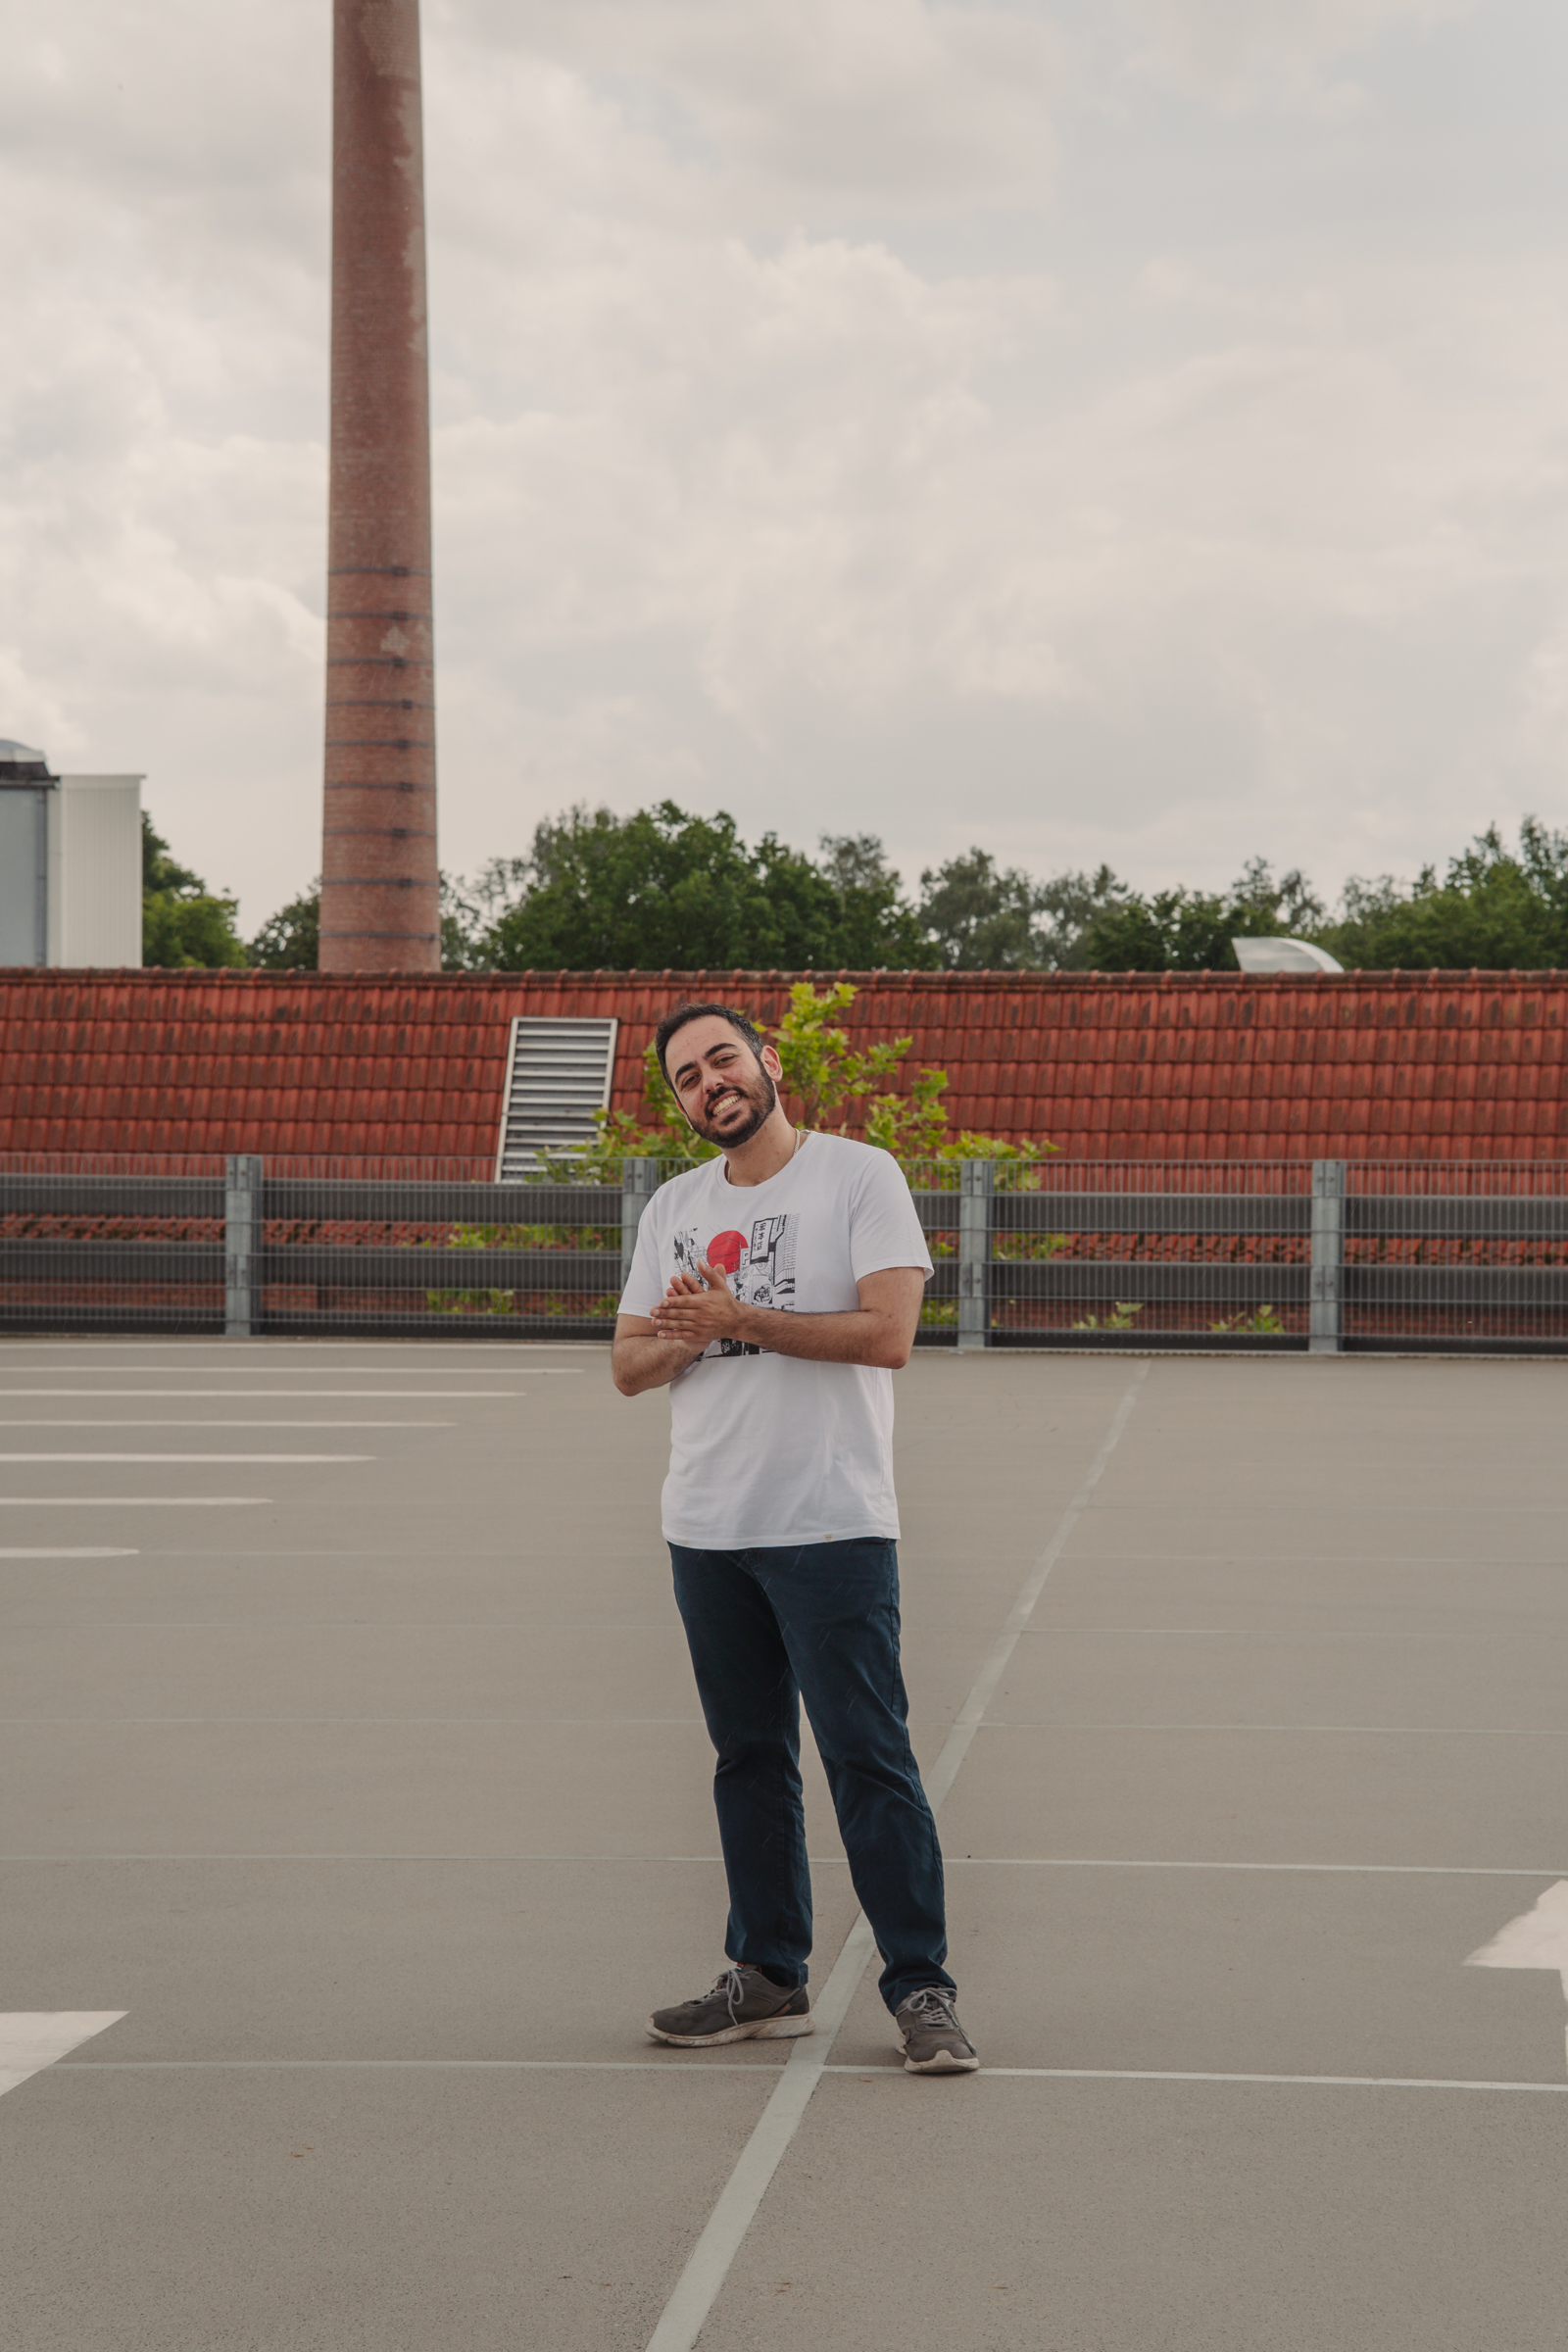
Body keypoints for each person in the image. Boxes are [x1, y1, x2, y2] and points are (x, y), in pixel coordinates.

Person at [612, 1000, 978, 2075]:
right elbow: (628, 1366)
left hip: (828, 1521)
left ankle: (921, 1987)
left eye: (723, 1058)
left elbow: (890, 1335)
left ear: (768, 1063)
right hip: (706, 1526)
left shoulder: (859, 1176)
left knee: (869, 1758)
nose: (709, 1082)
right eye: (685, 1076)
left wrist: (739, 1319)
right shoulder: (671, 1207)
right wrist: (687, 1332)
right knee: (750, 1758)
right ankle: (767, 1977)